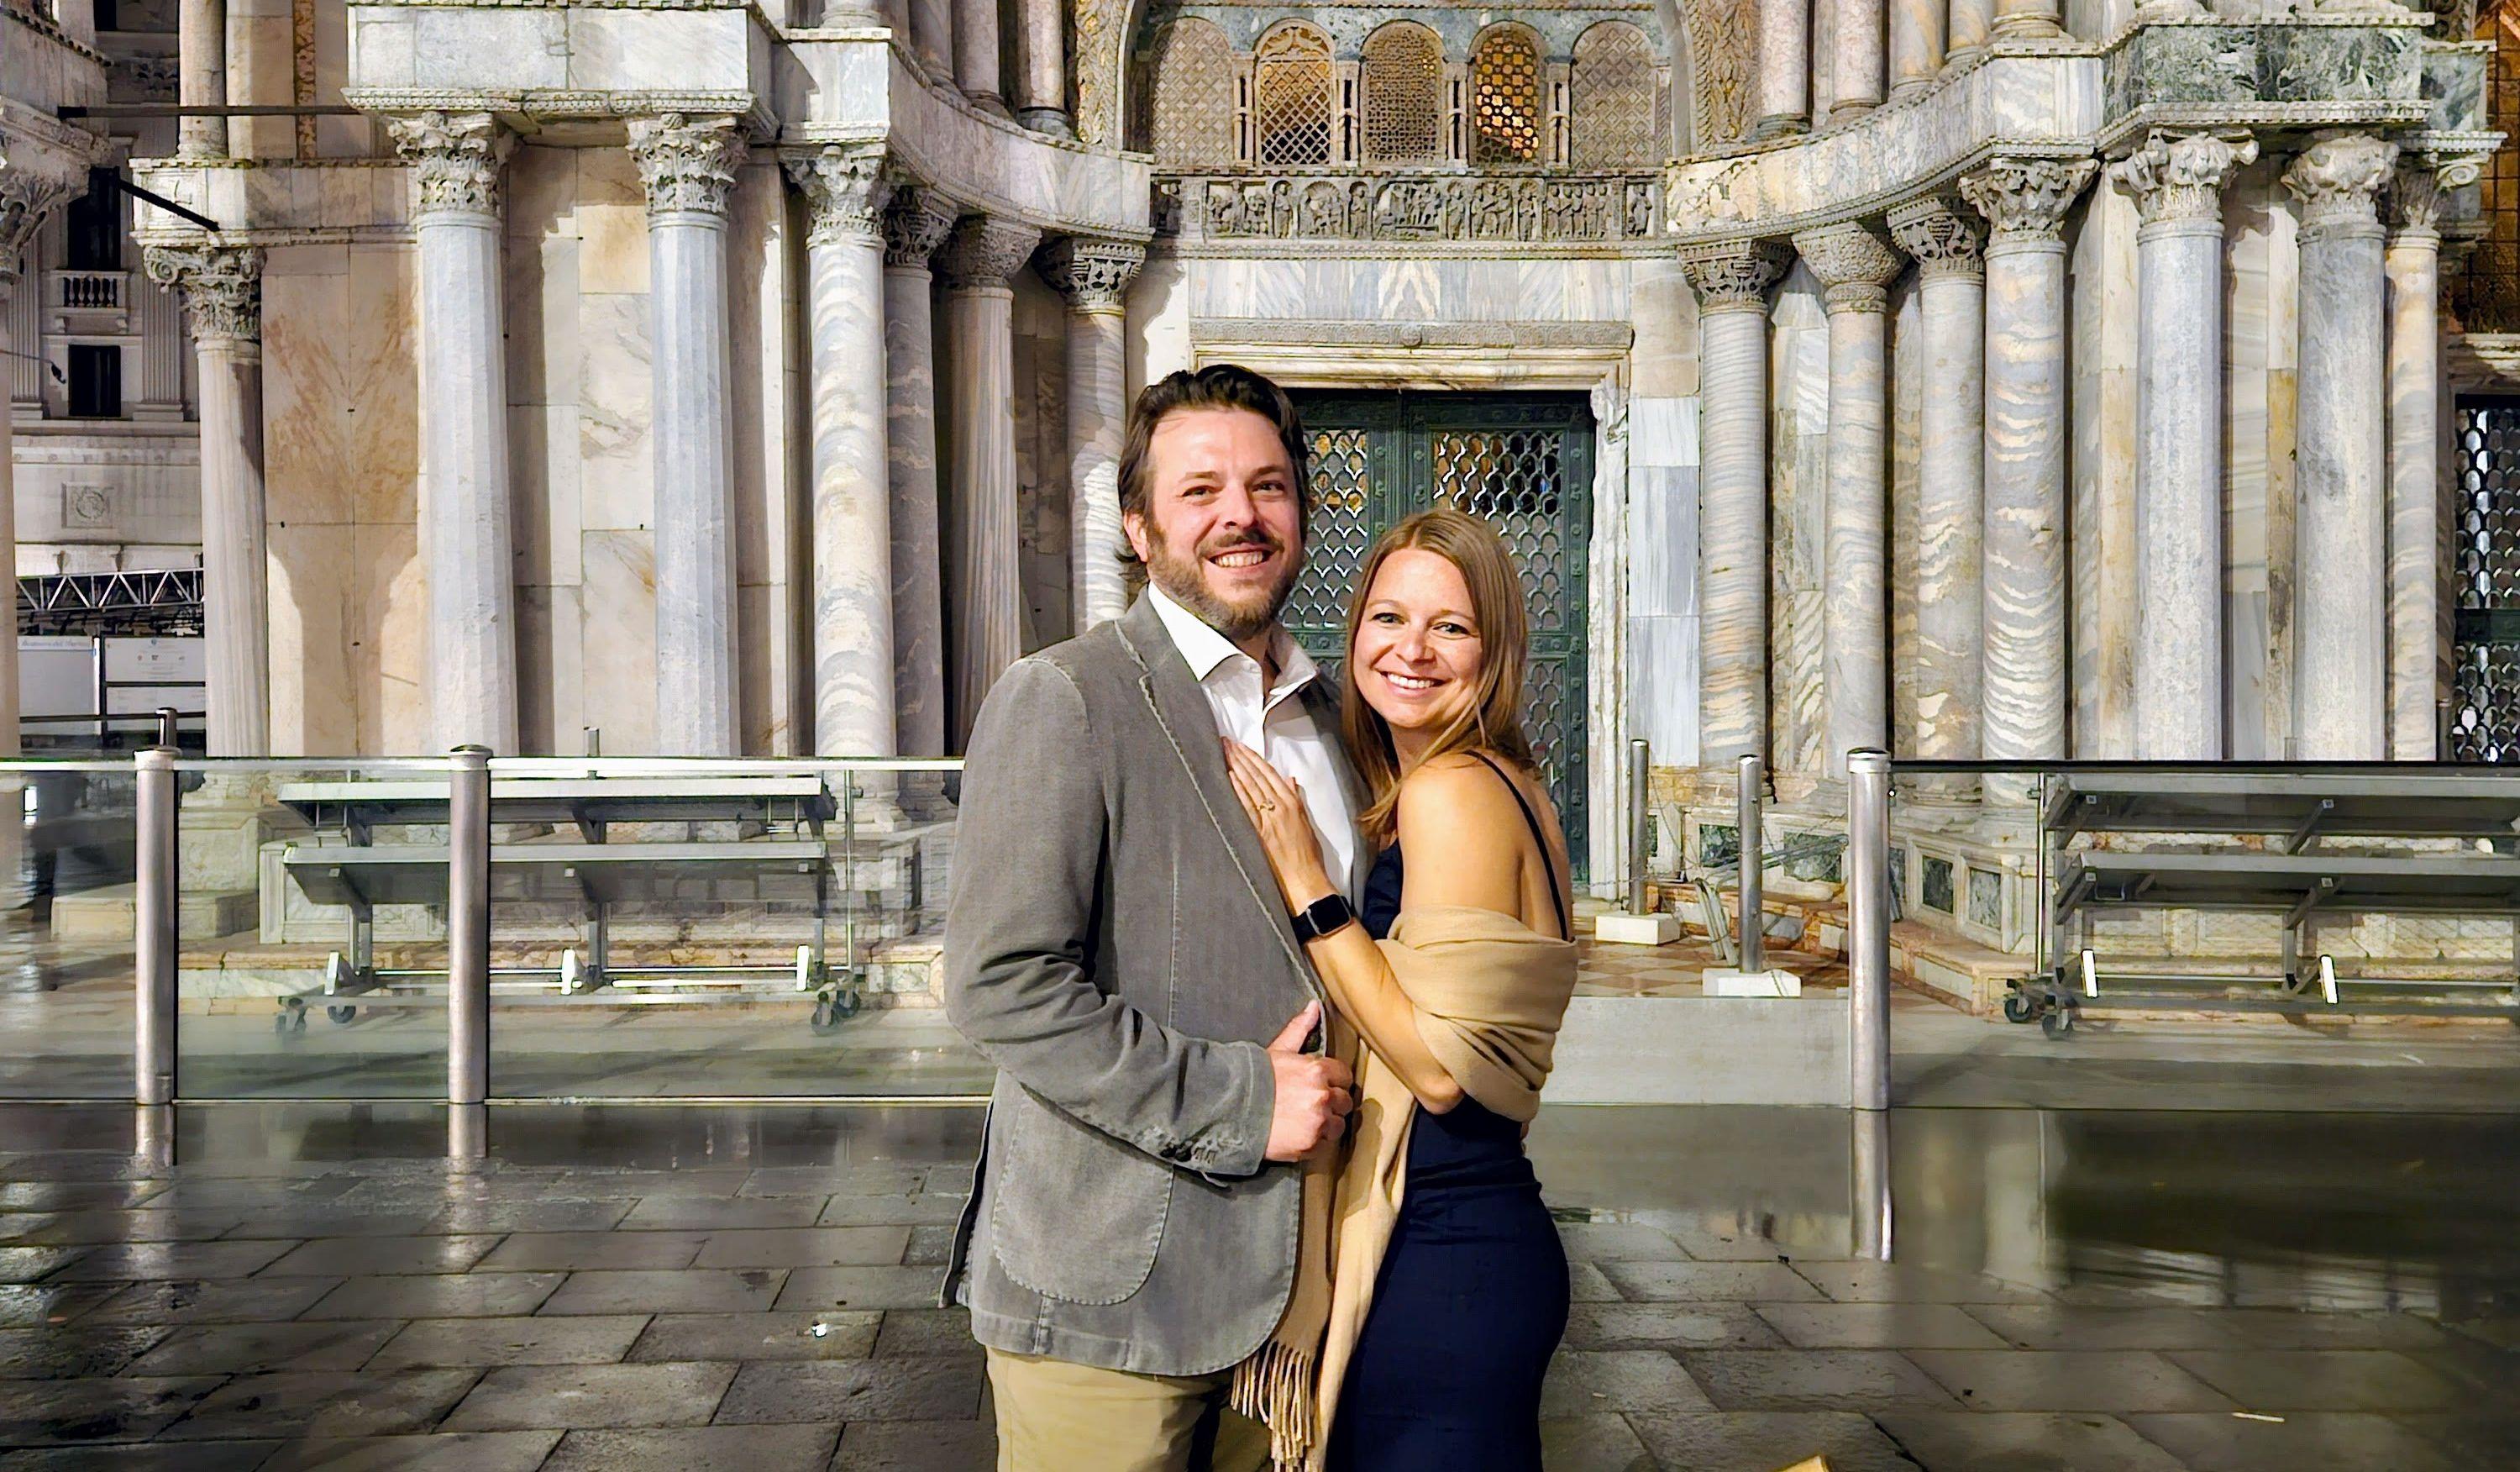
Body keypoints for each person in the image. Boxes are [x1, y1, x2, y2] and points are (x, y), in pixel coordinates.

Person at [941, 363, 1368, 1472]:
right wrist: (1242, 1101)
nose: (1241, 516)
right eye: (1201, 490)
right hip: (1112, 1284)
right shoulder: (1066, 696)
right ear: (1139, 527)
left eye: (1268, 486)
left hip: (1301, 1295)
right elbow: (1001, 984)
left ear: (1302, 512)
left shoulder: (1337, 719)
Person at [1222, 507, 1582, 1471]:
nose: (1411, 650)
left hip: (1445, 1252)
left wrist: (1306, 879)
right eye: (1389, 618)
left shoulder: (1449, 790)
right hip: (1471, 1244)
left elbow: (1438, 1070)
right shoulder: (1509, 784)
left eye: (1450, 627)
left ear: (1494, 652)